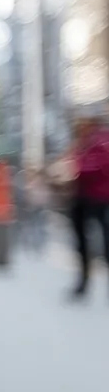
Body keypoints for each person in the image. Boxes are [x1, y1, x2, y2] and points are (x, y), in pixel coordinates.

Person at [65, 118, 109, 299]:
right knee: (82, 243)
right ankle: (83, 283)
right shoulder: (82, 143)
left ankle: (86, 284)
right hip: (83, 197)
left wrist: (76, 171)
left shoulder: (100, 140)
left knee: (105, 243)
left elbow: (96, 168)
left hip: (100, 198)